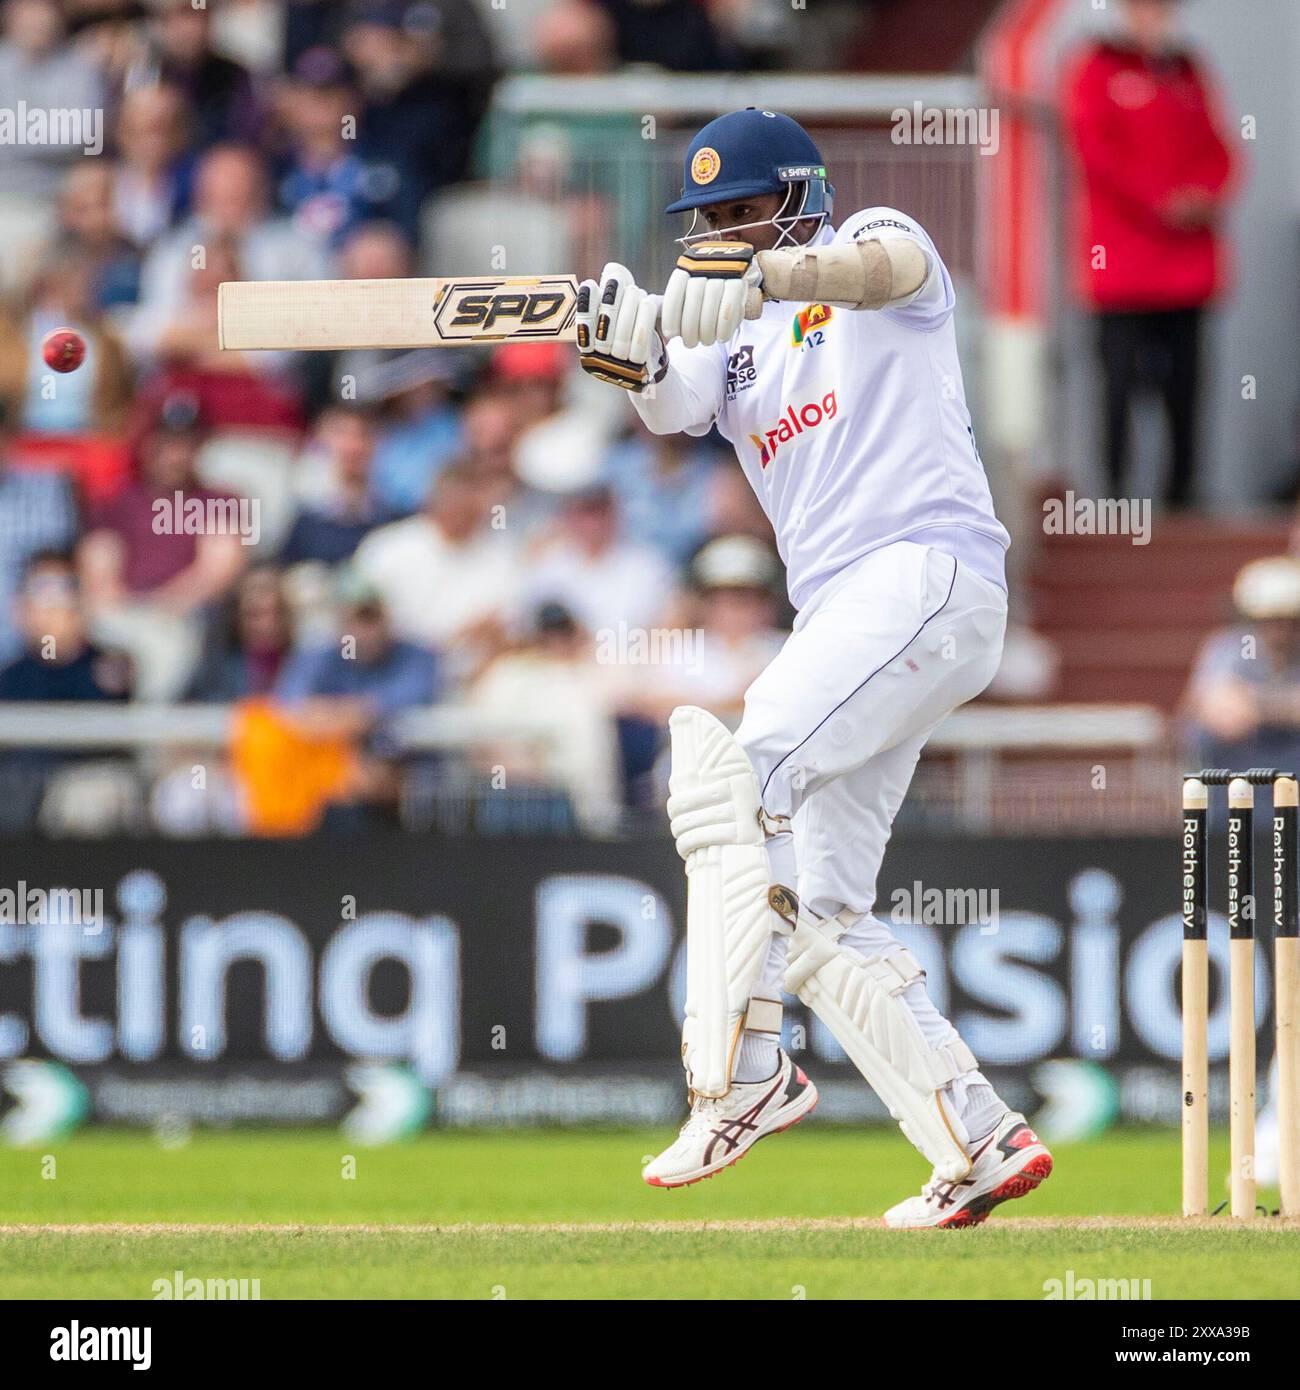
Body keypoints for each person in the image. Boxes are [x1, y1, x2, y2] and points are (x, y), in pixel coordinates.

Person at [573, 107, 1045, 1228]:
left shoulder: (868, 244)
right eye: (706, 223)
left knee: (743, 772)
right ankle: (974, 1136)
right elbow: (671, 398)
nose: (721, 236)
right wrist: (625, 347)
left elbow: (889, 267)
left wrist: (766, 275)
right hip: (848, 616)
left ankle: (741, 1068)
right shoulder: (721, 335)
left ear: (793, 200)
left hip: (925, 569)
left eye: (741, 212)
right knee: (822, 902)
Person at [1064, 0, 1237, 507]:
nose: (1154, 18)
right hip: (1122, 269)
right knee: (1117, 390)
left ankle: (1182, 496)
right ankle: (1114, 498)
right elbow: (1096, 151)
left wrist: (1204, 194)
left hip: (1187, 272)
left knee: (1187, 390)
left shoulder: (1189, 72)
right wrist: (1161, 200)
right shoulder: (1096, 68)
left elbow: (1220, 149)